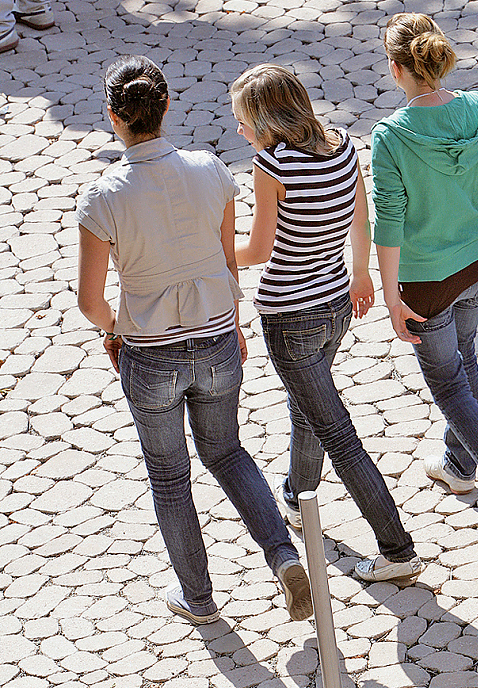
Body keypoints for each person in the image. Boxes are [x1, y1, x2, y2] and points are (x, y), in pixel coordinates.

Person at [76, 55, 313, 625]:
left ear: (114, 116)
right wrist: (231, 327)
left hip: (149, 354)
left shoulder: (102, 197)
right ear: (166, 106)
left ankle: (200, 600)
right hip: (215, 341)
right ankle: (282, 555)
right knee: (228, 452)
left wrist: (116, 331)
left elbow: (89, 301)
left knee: (169, 477)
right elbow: (228, 266)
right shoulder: (211, 170)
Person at [229, 64, 422, 584]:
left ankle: (396, 549)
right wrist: (362, 275)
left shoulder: (271, 166)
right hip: (337, 301)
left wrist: (211, 249)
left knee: (338, 432)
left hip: (290, 314)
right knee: (309, 404)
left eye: (244, 121)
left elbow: (260, 248)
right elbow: (361, 216)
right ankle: (297, 493)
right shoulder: (342, 147)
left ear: (269, 119)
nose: (240, 131)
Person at [372, 13, 478, 548]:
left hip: (426, 283)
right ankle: (457, 462)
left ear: (398, 68)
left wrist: (390, 294)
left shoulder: (390, 136)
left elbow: (390, 219)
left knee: (448, 383)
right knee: (464, 358)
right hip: (476, 264)